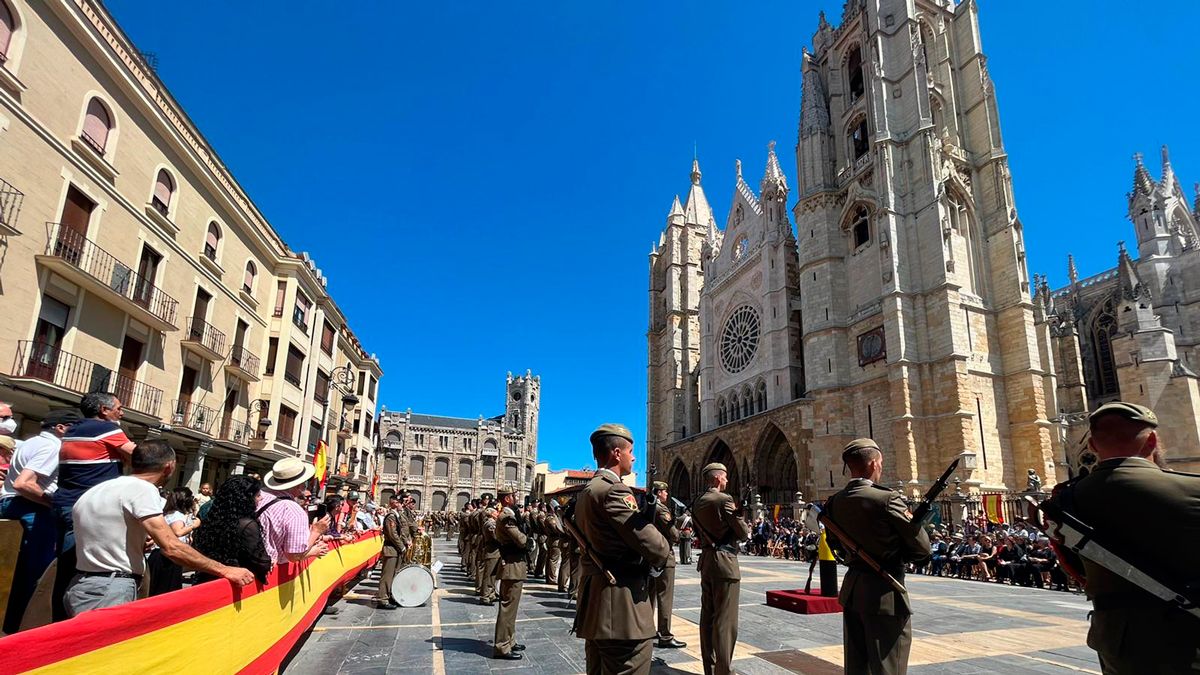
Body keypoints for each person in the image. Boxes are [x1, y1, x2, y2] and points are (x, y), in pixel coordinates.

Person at [1043, 401, 1200, 674]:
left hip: (1118, 639)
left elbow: (1075, 567)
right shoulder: (1192, 489)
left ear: (1091, 445)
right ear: (1152, 440)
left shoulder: (1066, 499)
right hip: (1191, 634)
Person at [64, 439, 254, 616]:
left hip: (81, 583)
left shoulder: (99, 489)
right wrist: (225, 570)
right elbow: (172, 547)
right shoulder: (143, 489)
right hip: (110, 588)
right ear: (169, 466)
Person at [824, 439, 930, 675]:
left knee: (857, 666)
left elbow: (835, 546)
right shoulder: (886, 499)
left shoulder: (834, 503)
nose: (881, 467)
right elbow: (922, 549)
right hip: (885, 593)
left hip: (853, 590)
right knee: (888, 666)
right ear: (873, 464)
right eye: (880, 463)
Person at [573, 423, 669, 675]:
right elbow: (657, 547)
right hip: (620, 607)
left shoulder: (587, 491)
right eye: (630, 451)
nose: (634, 457)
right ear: (617, 453)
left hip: (596, 604)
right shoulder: (614, 490)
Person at [52, 392, 137, 620]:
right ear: (104, 410)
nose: (122, 412)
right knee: (84, 569)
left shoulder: (74, 429)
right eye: (118, 408)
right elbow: (140, 457)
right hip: (89, 508)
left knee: (64, 568)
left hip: (64, 504)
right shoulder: (106, 429)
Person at [0, 408, 80, 633]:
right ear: (61, 428)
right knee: (36, 575)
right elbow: (24, 483)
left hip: (11, 505)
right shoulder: (53, 447)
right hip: (31, 509)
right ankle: (20, 628)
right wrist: (54, 503)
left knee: (12, 572)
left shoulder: (30, 443)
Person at [693, 463, 751, 675]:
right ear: (718, 478)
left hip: (707, 560)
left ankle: (710, 667)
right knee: (725, 620)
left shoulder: (697, 501)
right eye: (725, 478)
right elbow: (742, 533)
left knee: (707, 617)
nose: (727, 482)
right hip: (725, 561)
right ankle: (724, 670)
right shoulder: (724, 500)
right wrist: (739, 516)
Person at [192, 475, 273, 585]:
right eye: (257, 495)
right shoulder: (247, 525)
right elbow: (260, 562)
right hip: (234, 583)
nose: (261, 498)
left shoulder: (212, 517)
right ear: (247, 498)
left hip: (206, 579)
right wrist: (270, 561)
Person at [255, 458, 331, 564]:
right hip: (269, 571)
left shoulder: (258, 495)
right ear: (299, 485)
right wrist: (316, 531)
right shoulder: (294, 511)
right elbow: (294, 555)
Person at [492, 486, 528, 660]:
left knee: (511, 609)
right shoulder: (507, 517)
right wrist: (528, 538)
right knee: (507, 609)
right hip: (511, 566)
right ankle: (502, 647)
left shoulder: (510, 515)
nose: (515, 498)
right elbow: (520, 540)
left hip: (515, 566)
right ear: (506, 499)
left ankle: (510, 641)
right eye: (513, 496)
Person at [650, 481, 686, 650]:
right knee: (664, 596)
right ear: (659, 493)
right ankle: (665, 635)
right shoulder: (661, 509)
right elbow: (674, 534)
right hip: (664, 556)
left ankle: (647, 630)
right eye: (664, 492)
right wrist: (680, 530)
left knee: (649, 595)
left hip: (649, 556)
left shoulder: (647, 508)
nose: (666, 495)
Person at [147, 487, 200, 596]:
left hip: (161, 555)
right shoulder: (177, 515)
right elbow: (178, 532)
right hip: (168, 559)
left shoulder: (168, 513)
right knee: (166, 591)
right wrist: (193, 526)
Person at [376, 496, 404, 609]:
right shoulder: (390, 517)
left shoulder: (395, 516)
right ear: (395, 503)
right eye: (400, 503)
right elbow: (393, 534)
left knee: (393, 575)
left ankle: (390, 596)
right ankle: (383, 599)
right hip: (391, 549)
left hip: (394, 549)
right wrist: (401, 546)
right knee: (387, 576)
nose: (402, 505)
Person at [479, 505, 501, 605]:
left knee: (493, 575)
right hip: (492, 551)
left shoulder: (492, 523)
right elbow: (495, 537)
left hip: (495, 551)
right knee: (489, 575)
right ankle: (485, 596)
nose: (497, 513)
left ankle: (491, 594)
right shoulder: (490, 524)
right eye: (496, 512)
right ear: (492, 514)